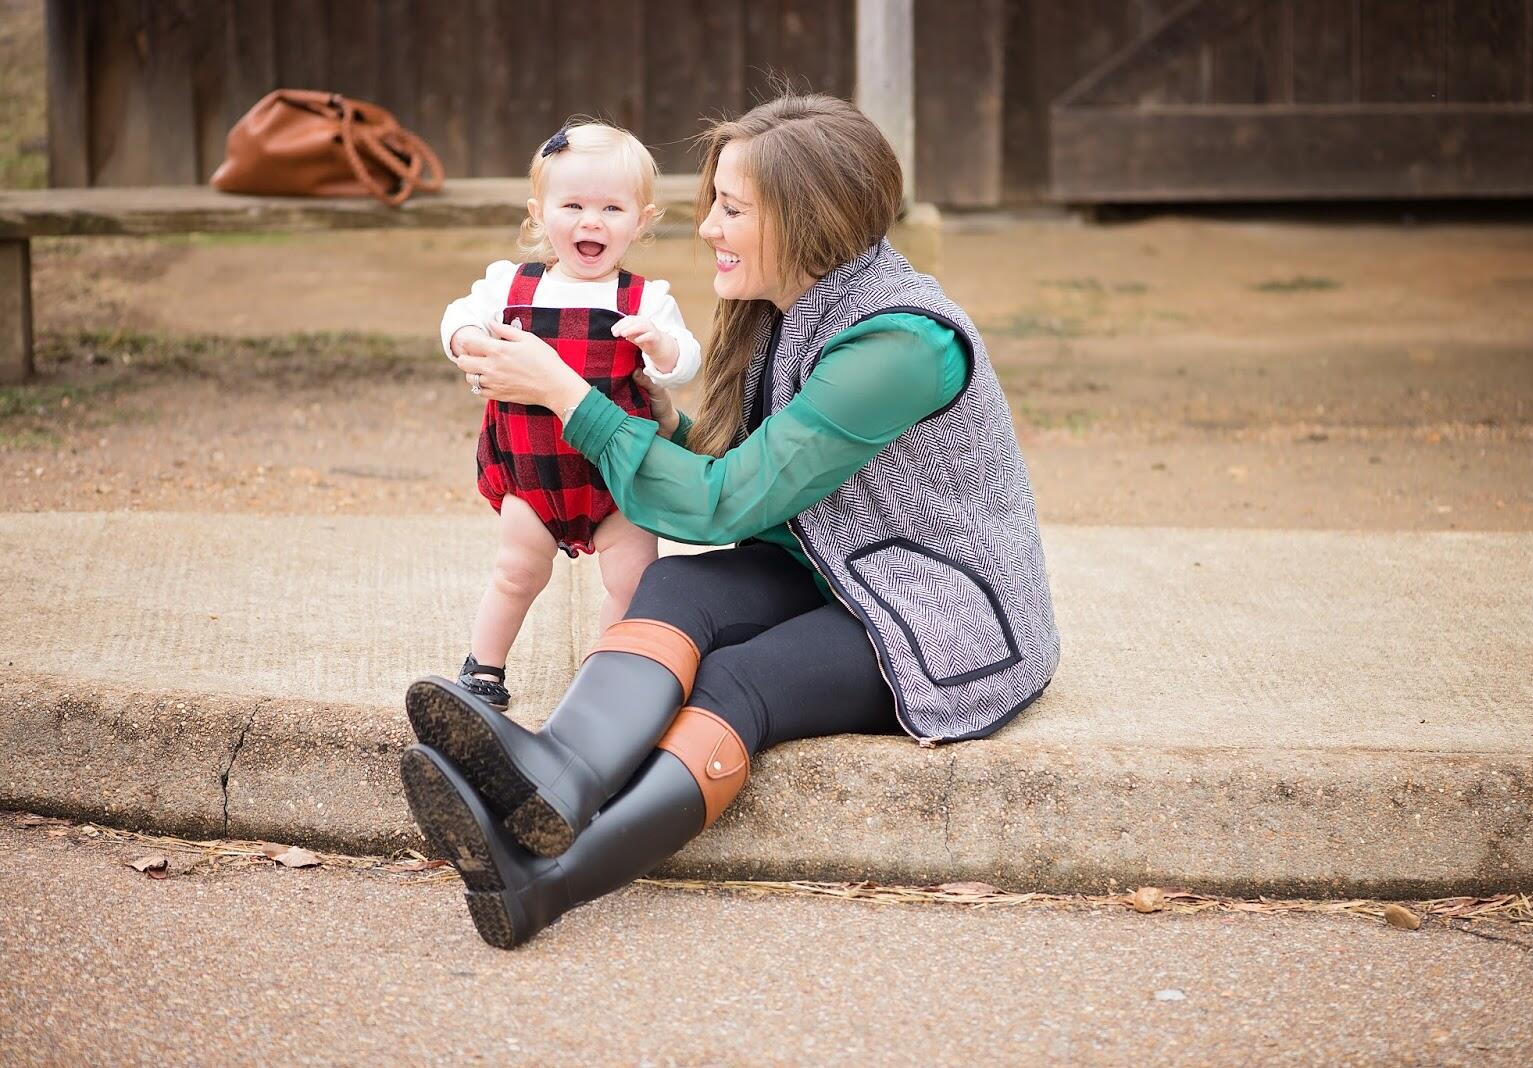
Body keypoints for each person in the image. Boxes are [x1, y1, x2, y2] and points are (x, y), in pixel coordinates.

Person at [402, 93, 1059, 949]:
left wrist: (565, 393)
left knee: (737, 683)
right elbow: (726, 463)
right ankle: (557, 778)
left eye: (732, 209)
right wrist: (642, 408)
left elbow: (725, 503)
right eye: (713, 202)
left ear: (804, 218)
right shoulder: (787, 302)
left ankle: (546, 881)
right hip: (829, 560)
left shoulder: (899, 344)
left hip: (932, 609)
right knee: (673, 582)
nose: (708, 227)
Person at [440, 122, 702, 711]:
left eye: (612, 207)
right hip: (533, 476)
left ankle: (603, 674)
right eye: (574, 205)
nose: (592, 221)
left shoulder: (645, 300)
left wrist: (659, 346)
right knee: (516, 572)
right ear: (539, 213)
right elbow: (458, 313)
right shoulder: (509, 285)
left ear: (641, 220)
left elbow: (685, 362)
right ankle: (484, 666)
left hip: (617, 478)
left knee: (632, 583)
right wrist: (462, 338)